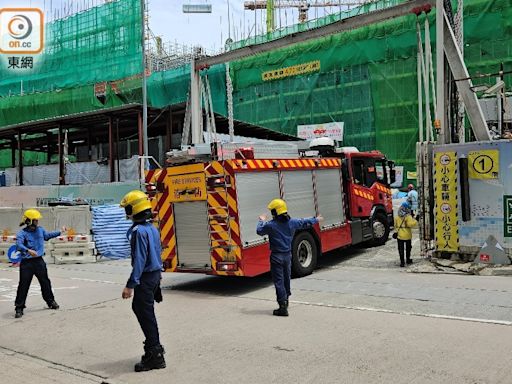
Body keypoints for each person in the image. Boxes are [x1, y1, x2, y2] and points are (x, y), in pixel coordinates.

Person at [120, 190, 166, 372]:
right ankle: (153, 348)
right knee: (142, 309)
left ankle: (155, 354)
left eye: (127, 208)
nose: (126, 211)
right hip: (153, 276)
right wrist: (158, 282)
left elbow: (140, 260)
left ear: (134, 208)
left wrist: (130, 285)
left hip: (146, 278)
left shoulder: (139, 232)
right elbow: (157, 253)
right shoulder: (152, 228)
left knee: (145, 313)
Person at [257, 199, 322, 317]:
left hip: (276, 256)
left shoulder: (271, 225)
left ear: (276, 212)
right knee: (286, 278)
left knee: (279, 281)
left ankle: (282, 307)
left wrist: (261, 221)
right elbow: (304, 222)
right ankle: (286, 300)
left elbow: (259, 231)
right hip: (287, 256)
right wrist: (315, 219)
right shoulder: (292, 222)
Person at [14, 209, 63, 319]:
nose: (37, 222)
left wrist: (60, 231)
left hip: (39, 261)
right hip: (26, 263)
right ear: (29, 221)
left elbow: (47, 236)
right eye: (35, 220)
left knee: (45, 282)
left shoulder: (40, 230)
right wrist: (27, 250)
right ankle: (19, 307)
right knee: (23, 285)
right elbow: (18, 245)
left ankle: (50, 302)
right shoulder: (22, 233)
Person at [393, 201, 417, 267]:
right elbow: (410, 224)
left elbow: (395, 225)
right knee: (408, 248)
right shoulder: (408, 216)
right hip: (407, 235)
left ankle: (402, 262)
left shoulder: (397, 216)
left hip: (399, 235)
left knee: (401, 249)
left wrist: (396, 231)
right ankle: (408, 260)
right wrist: (415, 220)